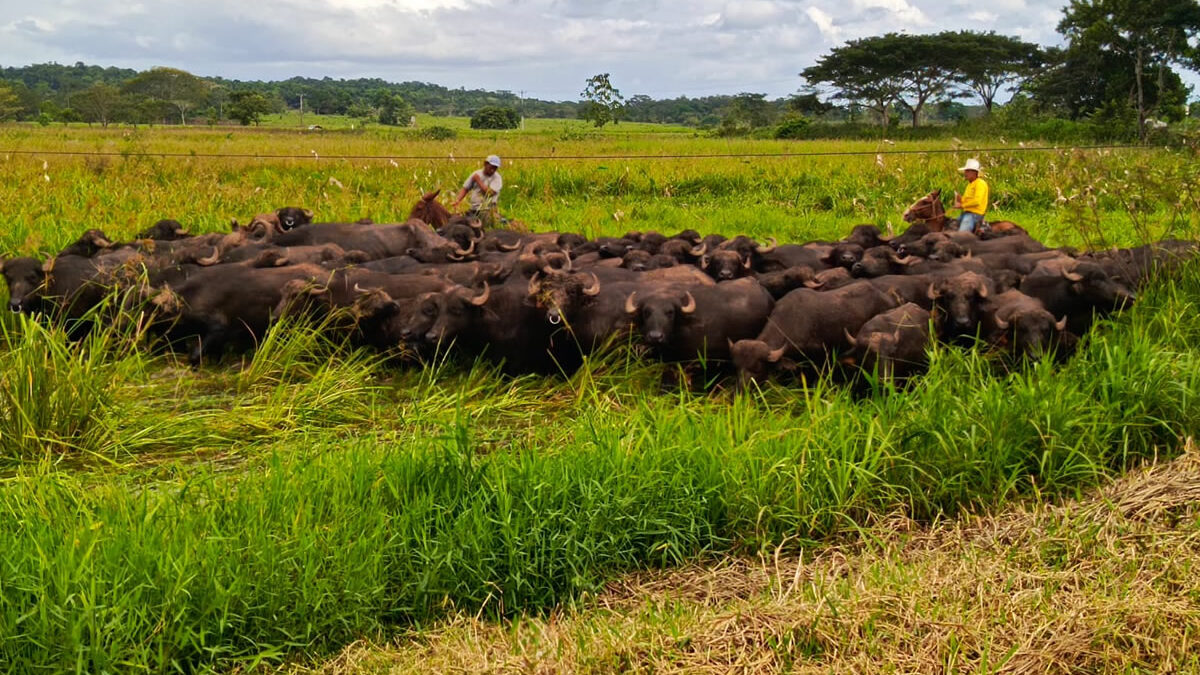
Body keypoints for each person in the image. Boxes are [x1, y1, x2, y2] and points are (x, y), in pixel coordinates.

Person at [453, 154, 503, 225]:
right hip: (474, 208)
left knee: (482, 223)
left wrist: (478, 180)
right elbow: (465, 189)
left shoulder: (497, 178)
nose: (493, 170)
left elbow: (490, 193)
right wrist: (457, 201)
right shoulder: (476, 174)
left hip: (487, 210)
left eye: (495, 168)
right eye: (491, 167)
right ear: (485, 164)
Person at [952, 158, 989, 233]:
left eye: (968, 171)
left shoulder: (980, 183)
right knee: (951, 226)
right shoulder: (969, 184)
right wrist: (960, 199)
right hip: (966, 213)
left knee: (961, 234)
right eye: (965, 171)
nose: (965, 173)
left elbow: (977, 201)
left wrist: (962, 205)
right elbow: (967, 200)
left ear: (975, 172)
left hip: (975, 214)